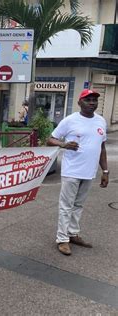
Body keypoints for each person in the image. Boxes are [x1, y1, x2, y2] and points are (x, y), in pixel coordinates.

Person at [47, 89, 108, 256]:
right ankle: (62, 239)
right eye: (88, 100)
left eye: (94, 100)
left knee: (79, 205)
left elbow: (102, 148)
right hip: (71, 171)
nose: (92, 103)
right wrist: (64, 144)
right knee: (66, 206)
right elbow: (50, 139)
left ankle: (73, 234)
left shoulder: (101, 121)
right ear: (79, 102)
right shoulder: (70, 120)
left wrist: (105, 171)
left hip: (89, 172)